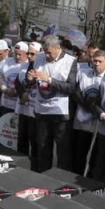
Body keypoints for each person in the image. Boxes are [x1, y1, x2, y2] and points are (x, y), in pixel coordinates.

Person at [27, 35, 77, 172]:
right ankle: (42, 176)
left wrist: (49, 79)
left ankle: (62, 179)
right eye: (45, 51)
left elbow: (71, 88)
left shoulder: (70, 61)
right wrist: (30, 78)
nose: (47, 55)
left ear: (58, 48)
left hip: (60, 112)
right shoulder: (39, 57)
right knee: (42, 145)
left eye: (49, 52)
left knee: (62, 148)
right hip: (42, 109)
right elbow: (30, 78)